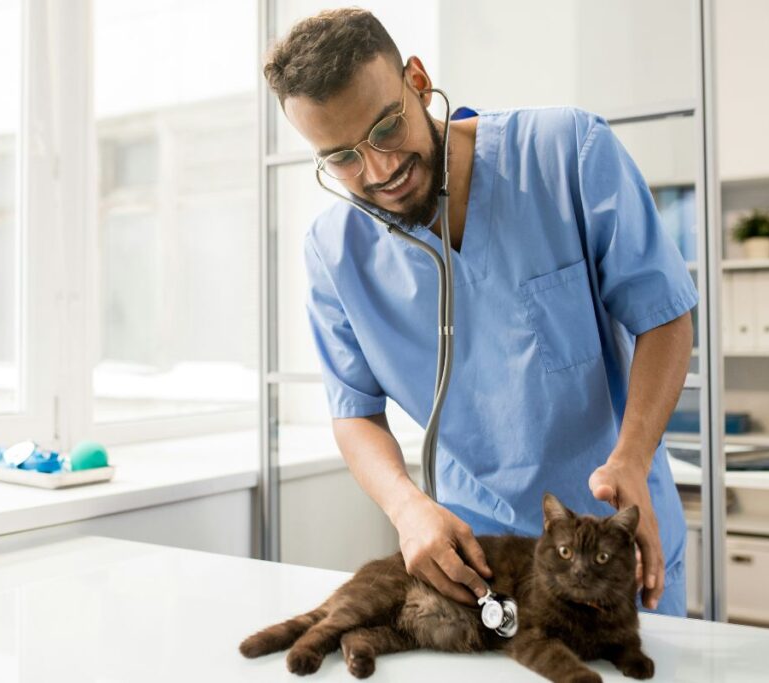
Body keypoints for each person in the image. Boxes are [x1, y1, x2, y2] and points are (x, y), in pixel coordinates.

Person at [263, 8, 696, 616]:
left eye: (386, 129)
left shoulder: (566, 153)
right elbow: (353, 411)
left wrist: (633, 457)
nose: (379, 170)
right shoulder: (335, 254)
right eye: (341, 158)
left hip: (608, 544)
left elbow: (665, 314)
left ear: (417, 80)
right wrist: (407, 508)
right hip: (480, 567)